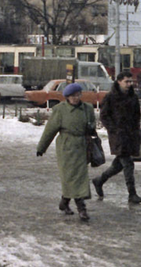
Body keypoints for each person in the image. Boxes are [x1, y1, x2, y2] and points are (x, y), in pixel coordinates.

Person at [36, 83, 94, 221]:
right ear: (67, 97)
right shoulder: (60, 110)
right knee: (69, 176)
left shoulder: (88, 108)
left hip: (82, 145)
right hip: (66, 146)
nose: (76, 98)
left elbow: (91, 126)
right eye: (72, 96)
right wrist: (41, 147)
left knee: (79, 177)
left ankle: (65, 201)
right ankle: (82, 208)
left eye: (78, 95)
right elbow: (50, 130)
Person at [92, 71, 141, 204]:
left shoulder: (133, 97)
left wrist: (136, 131)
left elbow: (137, 115)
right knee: (128, 164)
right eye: (126, 81)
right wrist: (113, 130)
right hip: (118, 136)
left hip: (131, 135)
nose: (129, 84)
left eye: (130, 81)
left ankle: (99, 180)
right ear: (119, 81)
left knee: (118, 165)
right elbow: (104, 116)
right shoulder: (110, 97)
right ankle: (132, 194)